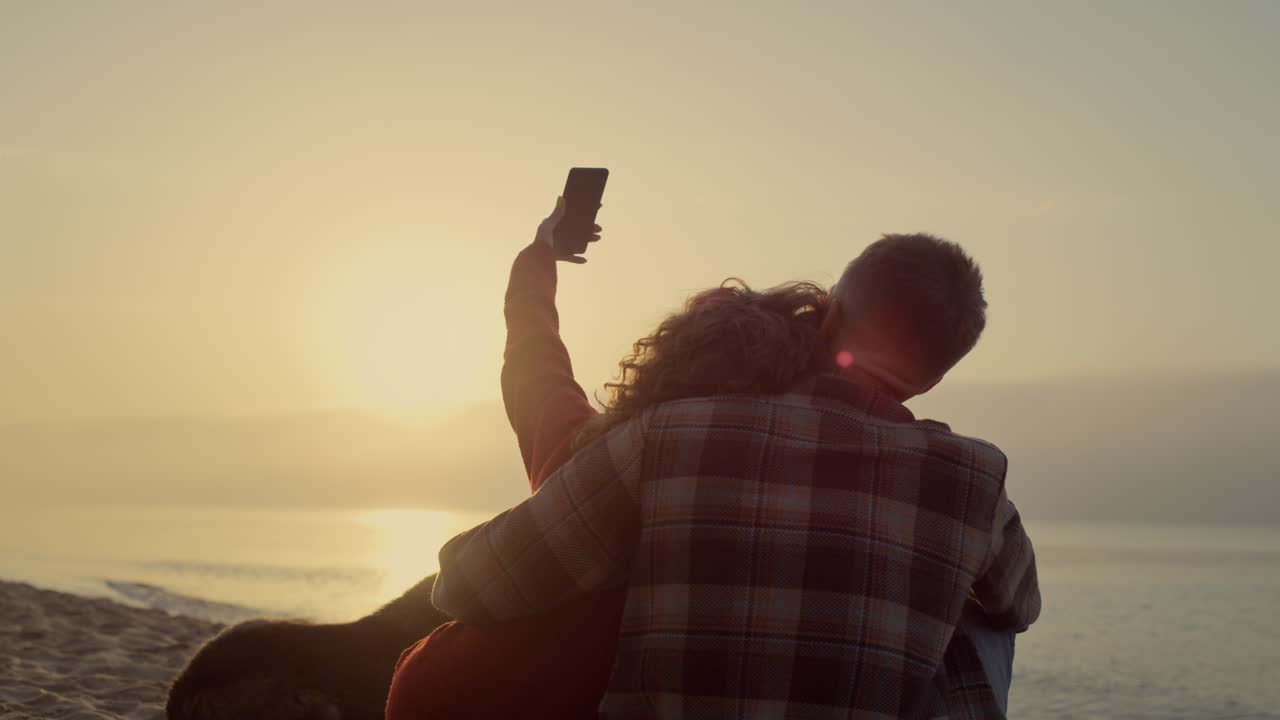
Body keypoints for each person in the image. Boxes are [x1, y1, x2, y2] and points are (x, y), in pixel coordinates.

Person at [388, 199, 1038, 718]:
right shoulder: (976, 478)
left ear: (831, 313)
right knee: (982, 617)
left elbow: (473, 584)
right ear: (935, 378)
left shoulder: (668, 434)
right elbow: (1021, 609)